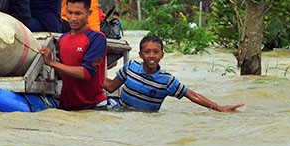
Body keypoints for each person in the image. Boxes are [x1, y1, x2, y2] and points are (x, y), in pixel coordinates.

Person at [104, 34, 245, 112]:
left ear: (162, 55)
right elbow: (110, 86)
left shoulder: (167, 81)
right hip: (122, 113)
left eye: (156, 52)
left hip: (148, 121)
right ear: (140, 55)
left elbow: (193, 96)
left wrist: (219, 108)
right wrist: (87, 73)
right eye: (147, 52)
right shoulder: (130, 67)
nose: (151, 56)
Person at [38, 0, 108, 110]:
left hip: (93, 106)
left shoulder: (97, 38)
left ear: (89, 13)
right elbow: (63, 71)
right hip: (68, 106)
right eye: (70, 13)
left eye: (78, 13)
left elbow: (85, 73)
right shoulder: (63, 39)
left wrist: (53, 63)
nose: (73, 18)